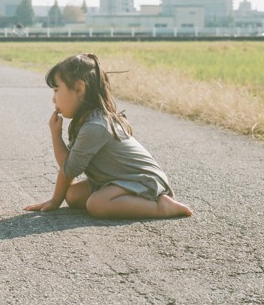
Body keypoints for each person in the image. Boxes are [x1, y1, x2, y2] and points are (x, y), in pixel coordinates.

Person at [24, 53, 192, 219]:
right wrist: (56, 135)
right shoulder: (85, 121)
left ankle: (161, 207)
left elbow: (69, 169)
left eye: (56, 90)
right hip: (116, 180)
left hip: (141, 180)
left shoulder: (95, 126)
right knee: (73, 195)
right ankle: (121, 199)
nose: (54, 99)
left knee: (97, 204)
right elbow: (70, 164)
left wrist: (55, 200)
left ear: (79, 88)